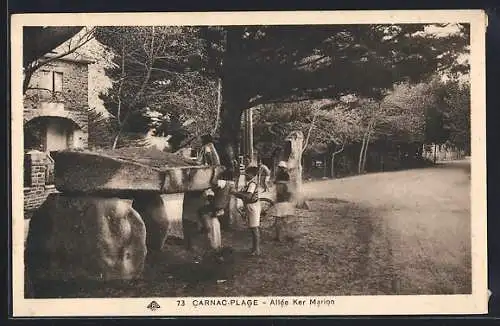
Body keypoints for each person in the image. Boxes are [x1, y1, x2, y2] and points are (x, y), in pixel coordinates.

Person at [231, 165, 261, 256]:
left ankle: (257, 249)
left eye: (247, 174)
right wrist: (236, 194)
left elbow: (248, 196)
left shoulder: (252, 184)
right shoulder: (249, 183)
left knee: (254, 228)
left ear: (252, 174)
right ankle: (254, 247)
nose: (246, 175)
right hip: (250, 206)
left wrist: (236, 193)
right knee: (252, 228)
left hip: (253, 206)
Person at [273, 161, 294, 242]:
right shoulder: (287, 179)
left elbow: (279, 191)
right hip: (287, 201)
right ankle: (288, 235)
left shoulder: (279, 179)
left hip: (280, 200)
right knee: (286, 219)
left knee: (278, 219)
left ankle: (279, 237)